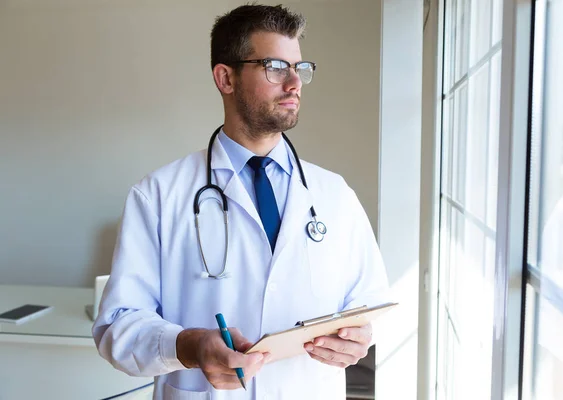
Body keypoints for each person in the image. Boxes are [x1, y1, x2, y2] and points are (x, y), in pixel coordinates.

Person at [92, 4, 390, 399]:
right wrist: (191, 346)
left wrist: (360, 336)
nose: (294, 84)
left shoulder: (335, 195)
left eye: (299, 69)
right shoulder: (159, 195)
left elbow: (370, 303)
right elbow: (118, 327)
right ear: (225, 78)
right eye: (275, 67)